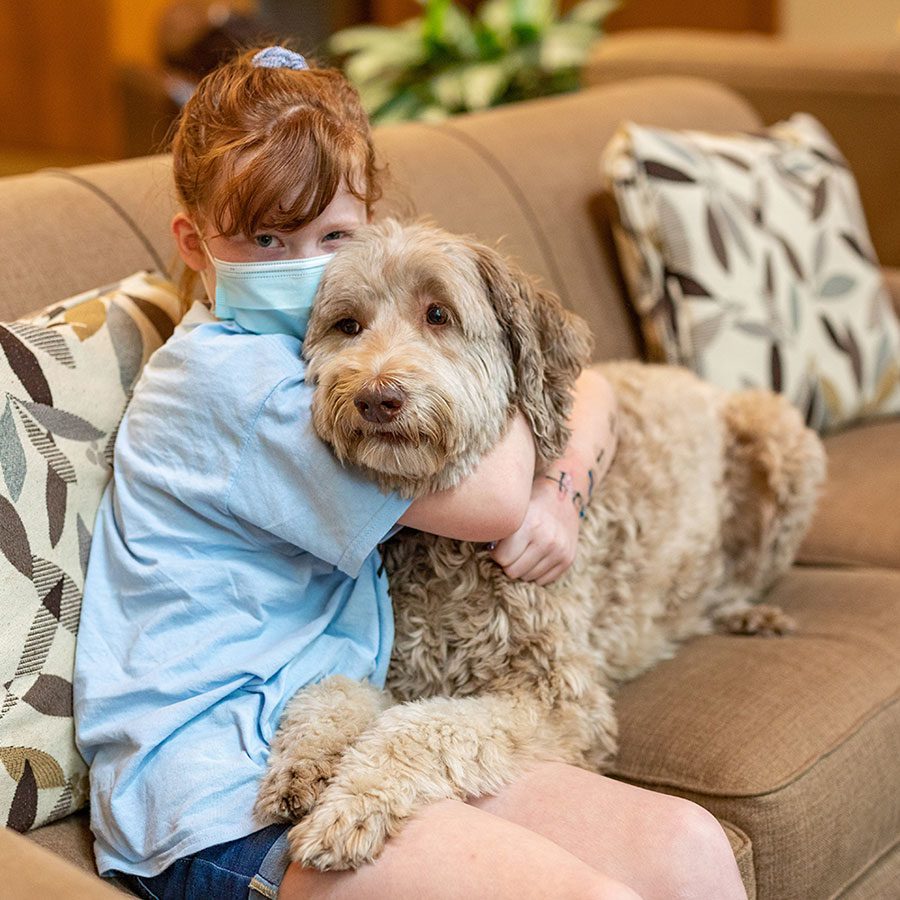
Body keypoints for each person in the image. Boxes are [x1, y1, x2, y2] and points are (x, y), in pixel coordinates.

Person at [73, 45, 747, 900]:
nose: (300, 264)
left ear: (368, 226)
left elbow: (586, 385)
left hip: (338, 726)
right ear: (197, 245)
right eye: (266, 238)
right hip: (216, 800)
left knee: (689, 846)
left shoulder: (314, 352)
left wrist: (567, 469)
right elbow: (499, 494)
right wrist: (548, 476)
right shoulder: (236, 387)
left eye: (331, 236)